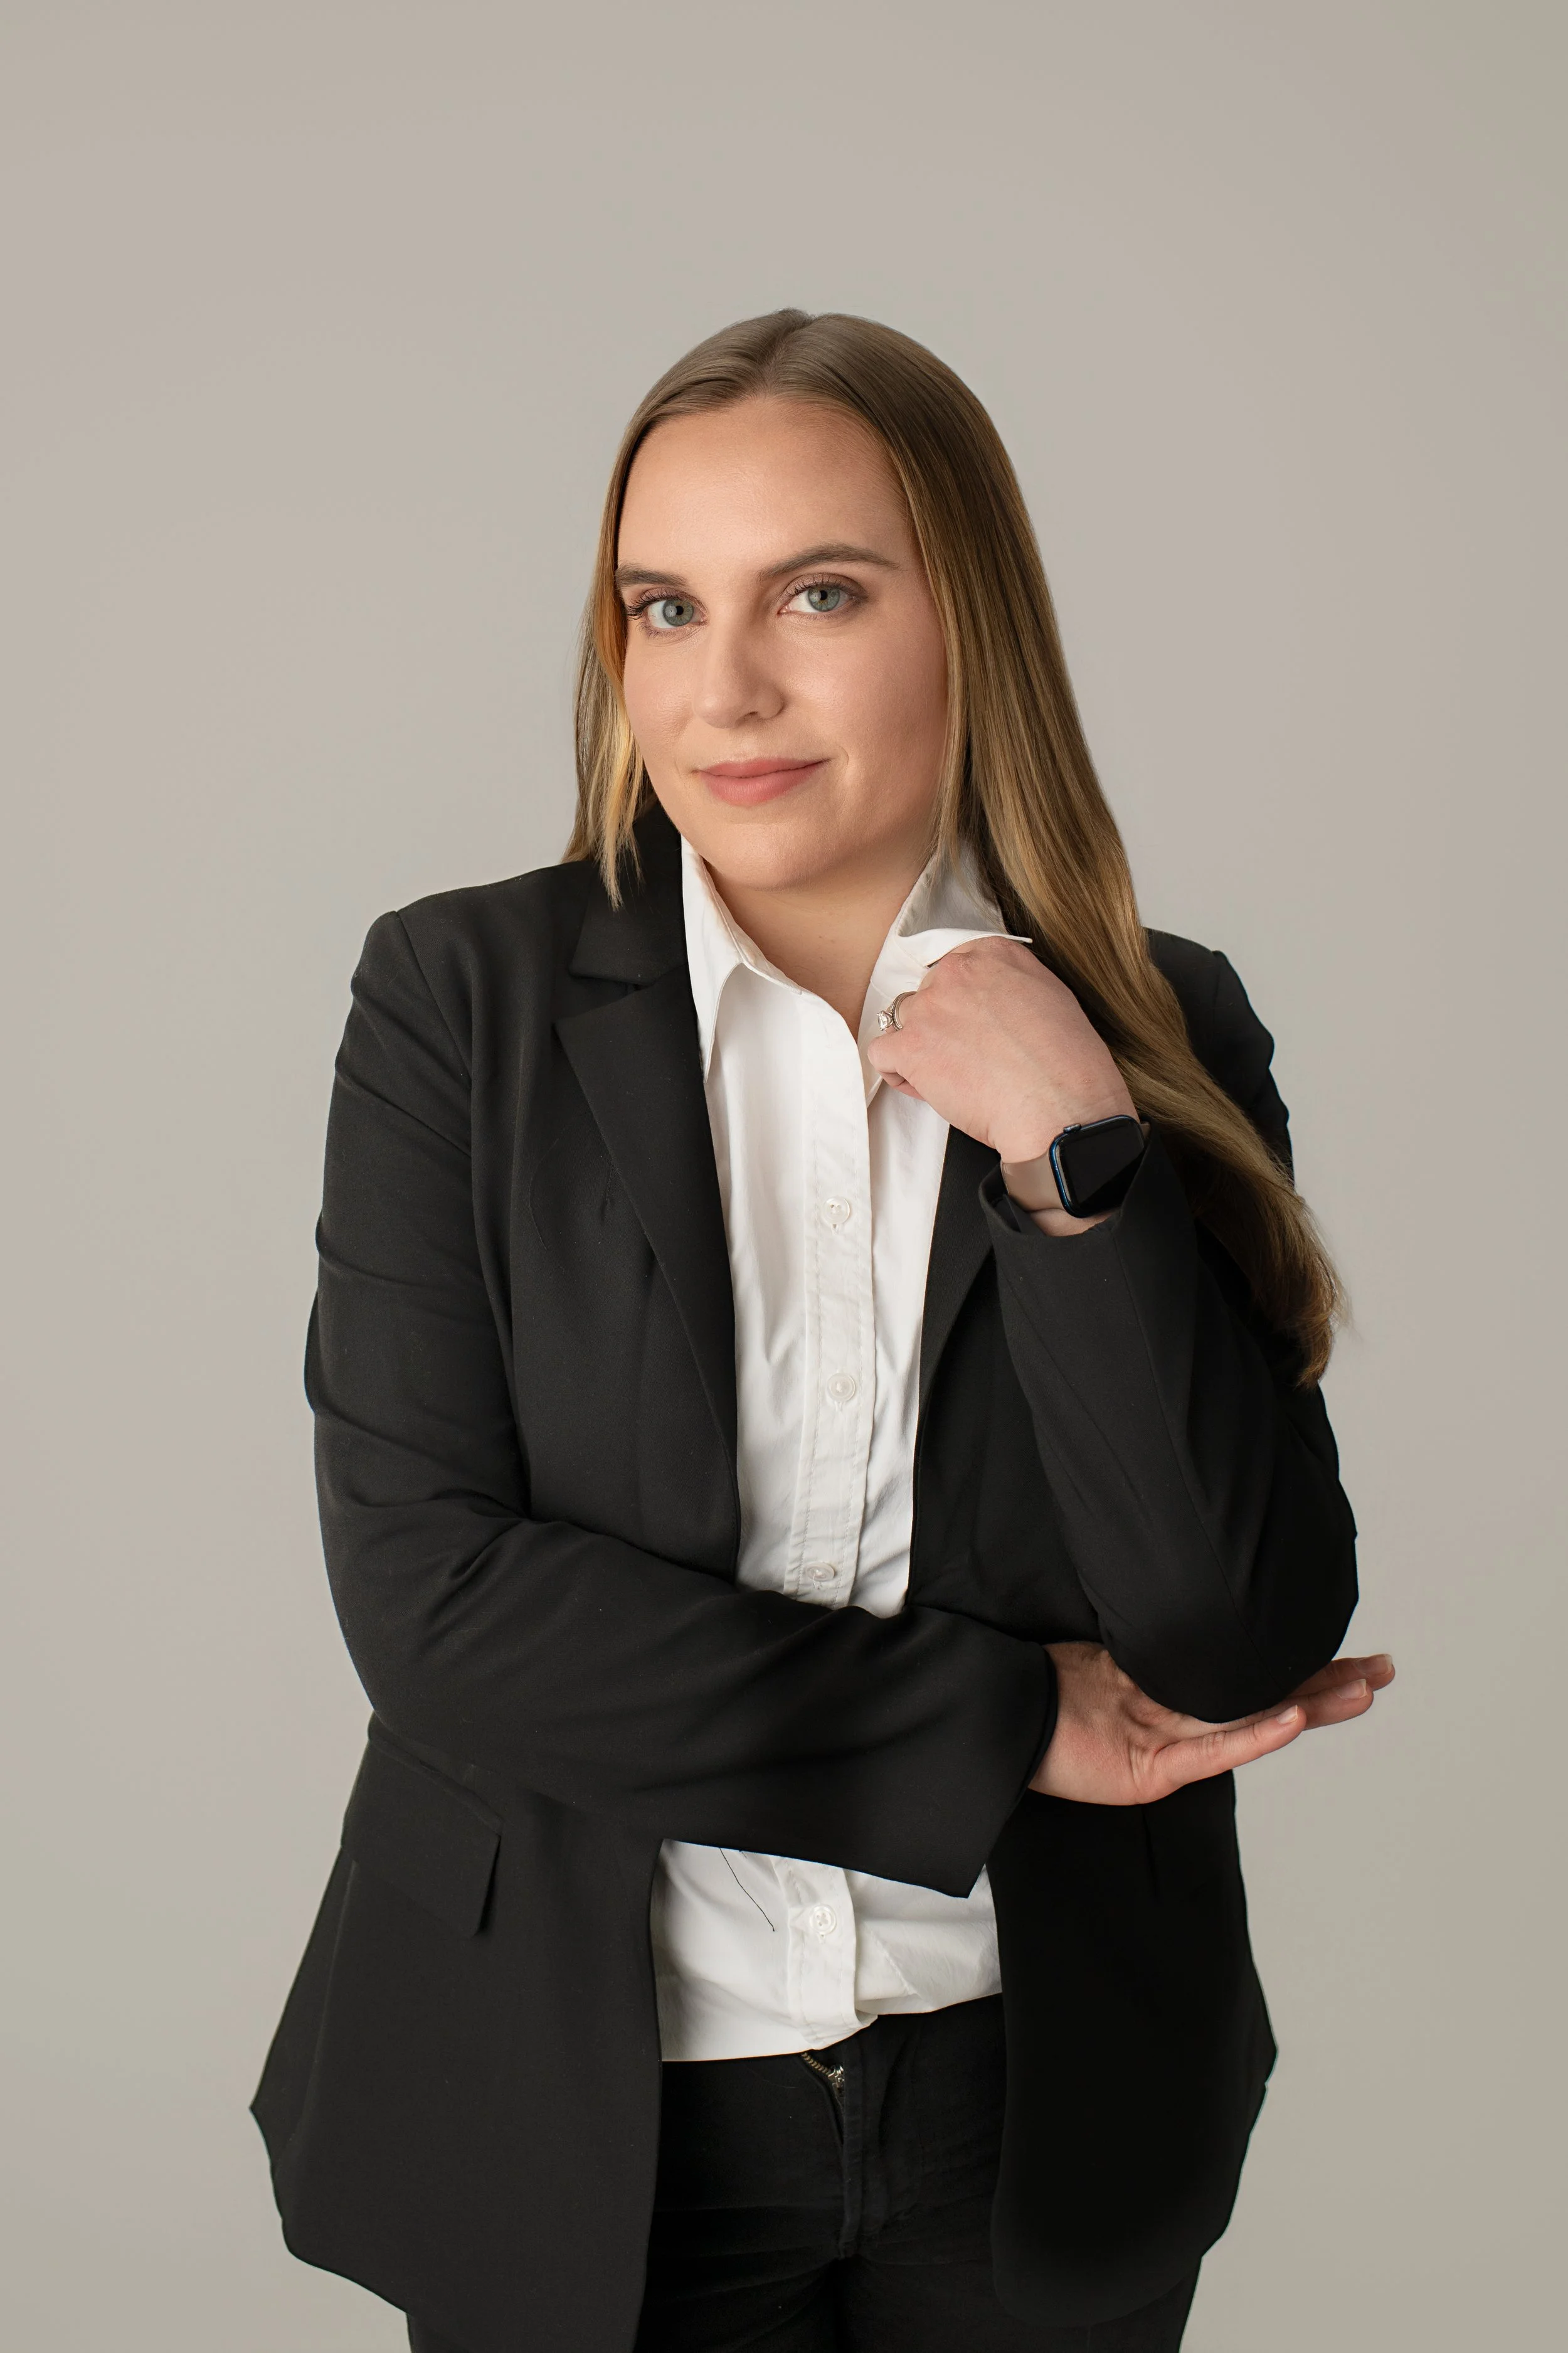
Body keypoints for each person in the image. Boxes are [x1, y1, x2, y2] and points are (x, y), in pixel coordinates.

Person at [252, 309, 1392, 2353]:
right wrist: (1006, 1724)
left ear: (972, 623)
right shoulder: (463, 1002)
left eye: (822, 593)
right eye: (665, 606)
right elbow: (437, 1606)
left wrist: (1072, 1154)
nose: (727, 686)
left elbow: (1233, 1631)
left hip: (1034, 2111)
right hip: (584, 2110)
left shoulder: (1153, 1025)